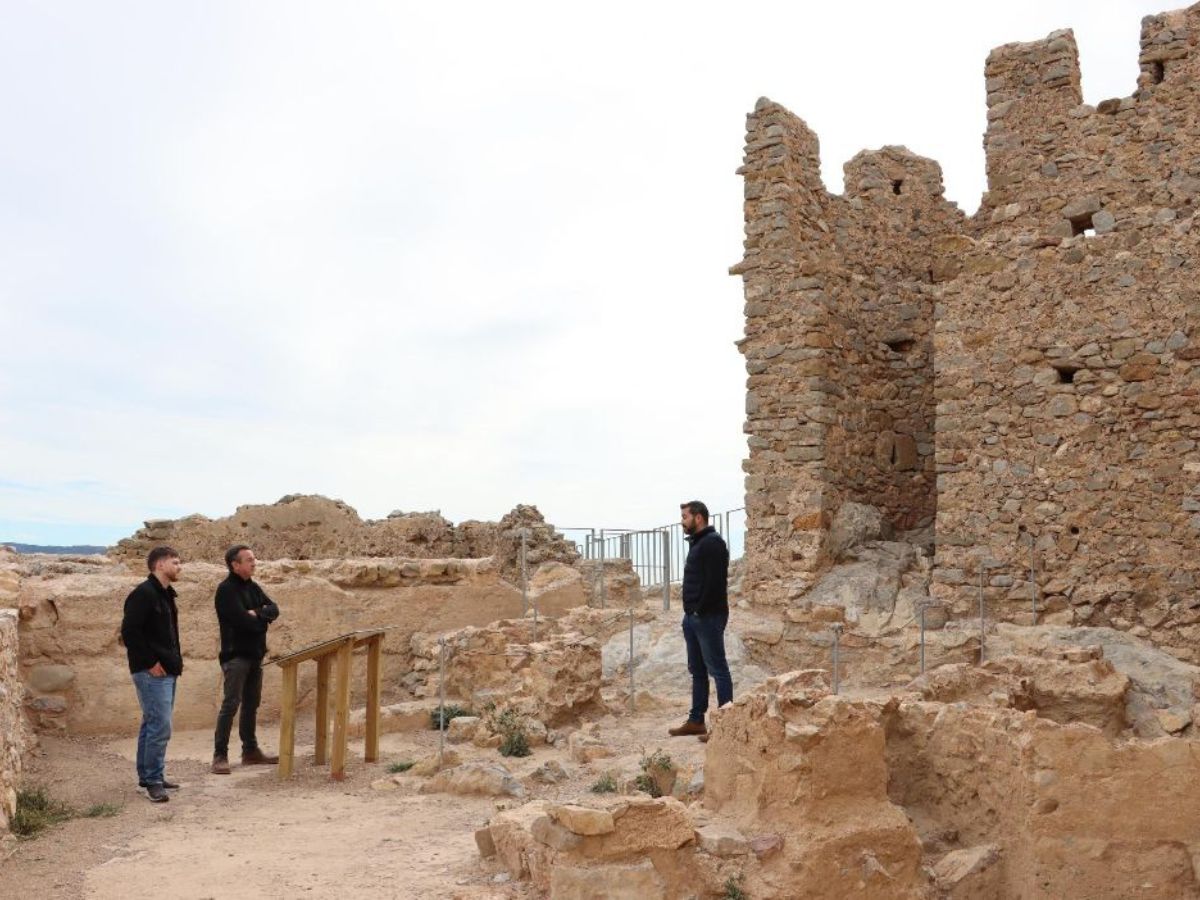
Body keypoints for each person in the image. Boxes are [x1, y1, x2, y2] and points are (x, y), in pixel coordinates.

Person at [121, 546, 184, 802]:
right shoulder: (144, 593)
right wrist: (150, 663)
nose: (180, 567)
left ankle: (149, 777)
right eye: (175, 562)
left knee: (152, 724)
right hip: (151, 672)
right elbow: (129, 632)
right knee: (160, 726)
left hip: (167, 669)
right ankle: (153, 782)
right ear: (159, 565)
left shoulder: (166, 594)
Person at [211, 544, 280, 774]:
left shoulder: (253, 587)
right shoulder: (226, 590)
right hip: (236, 657)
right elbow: (244, 622)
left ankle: (250, 751)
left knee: (252, 703)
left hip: (255, 656)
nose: (254, 562)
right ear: (235, 565)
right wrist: (260, 618)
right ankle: (219, 755)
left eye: (254, 558)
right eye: (249, 559)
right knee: (231, 704)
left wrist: (258, 613)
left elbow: (274, 609)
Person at [668, 500, 731, 742]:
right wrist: (691, 613)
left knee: (718, 670)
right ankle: (696, 721)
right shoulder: (699, 543)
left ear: (699, 518)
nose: (681, 521)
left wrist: (699, 609)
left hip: (708, 616)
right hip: (694, 617)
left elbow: (716, 583)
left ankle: (726, 725)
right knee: (697, 671)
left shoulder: (713, 543)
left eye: (685, 517)